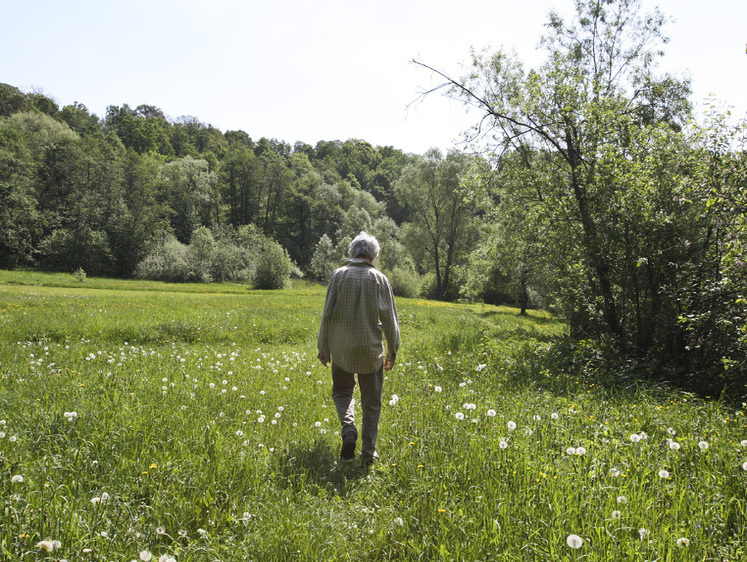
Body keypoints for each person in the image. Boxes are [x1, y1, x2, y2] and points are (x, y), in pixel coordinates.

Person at [317, 232, 400, 465]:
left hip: (341, 350)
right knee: (371, 403)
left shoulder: (338, 276)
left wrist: (323, 346)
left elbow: (327, 314)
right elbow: (391, 321)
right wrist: (393, 350)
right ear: (374, 255)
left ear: (352, 252)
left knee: (342, 392)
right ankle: (368, 454)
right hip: (370, 352)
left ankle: (348, 428)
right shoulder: (380, 279)